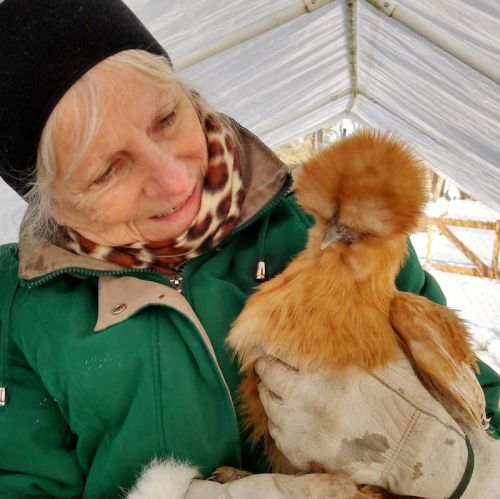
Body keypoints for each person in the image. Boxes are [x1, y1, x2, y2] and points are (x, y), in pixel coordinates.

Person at [0, 1, 498, 498]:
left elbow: (481, 399)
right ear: (50, 203)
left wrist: (466, 470)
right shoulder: (20, 309)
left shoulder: (338, 223)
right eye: (108, 170)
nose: (174, 180)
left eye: (167, 118)